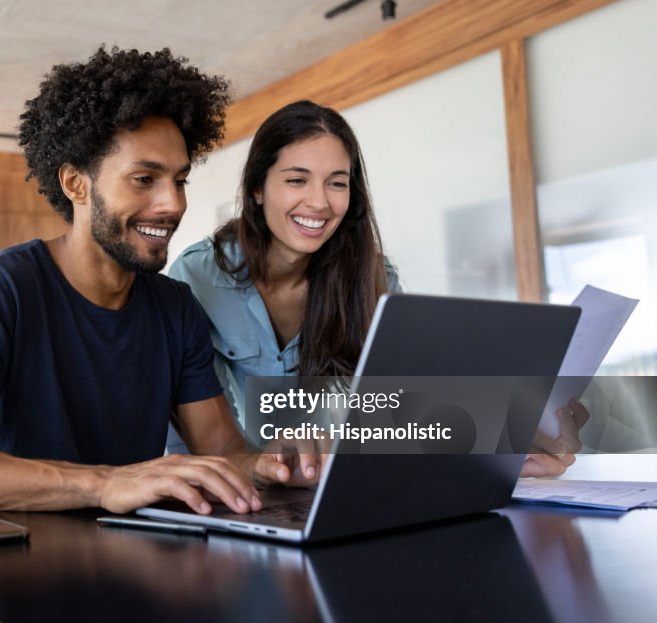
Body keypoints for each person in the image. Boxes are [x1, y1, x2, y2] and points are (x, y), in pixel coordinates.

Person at [0, 47, 318, 517]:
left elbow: (223, 449)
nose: (172, 204)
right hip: (14, 571)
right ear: (75, 184)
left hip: (137, 565)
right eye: (144, 178)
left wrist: (271, 463)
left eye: (180, 180)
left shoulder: (176, 307)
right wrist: (104, 484)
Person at [169, 100, 587, 477]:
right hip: (239, 482)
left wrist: (505, 447)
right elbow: (192, 423)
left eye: (337, 182)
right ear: (257, 188)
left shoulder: (373, 278)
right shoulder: (197, 276)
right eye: (297, 180)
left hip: (336, 479)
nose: (319, 202)